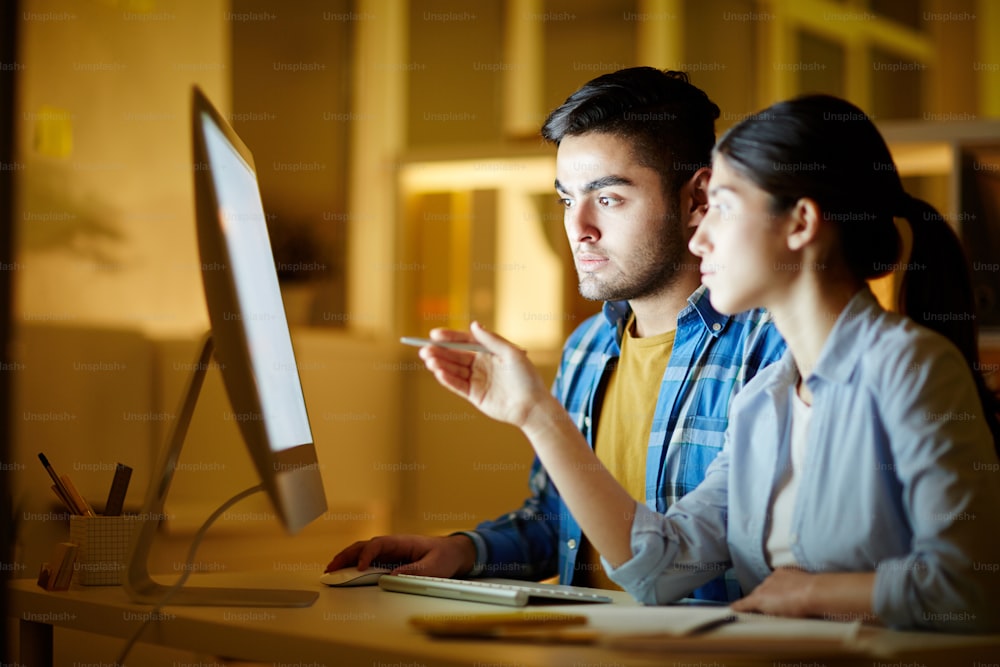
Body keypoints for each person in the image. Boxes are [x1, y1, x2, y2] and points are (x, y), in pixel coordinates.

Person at [416, 94, 1000, 632]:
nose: (701, 239)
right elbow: (657, 564)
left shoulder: (909, 367)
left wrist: (808, 593)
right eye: (566, 200)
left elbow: (973, 585)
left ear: (800, 223)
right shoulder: (768, 396)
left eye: (723, 205)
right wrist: (535, 414)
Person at [326, 67, 786, 601]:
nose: (578, 228)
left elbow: (689, 558)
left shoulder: (771, 348)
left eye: (608, 198)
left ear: (697, 200)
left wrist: (536, 414)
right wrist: (465, 551)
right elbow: (558, 525)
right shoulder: (588, 347)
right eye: (567, 199)